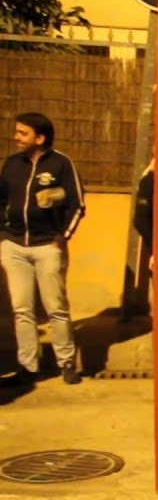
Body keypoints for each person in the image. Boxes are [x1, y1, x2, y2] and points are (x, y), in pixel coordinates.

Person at [0, 112, 85, 386]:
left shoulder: (61, 164)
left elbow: (77, 204)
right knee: (22, 308)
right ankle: (28, 366)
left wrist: (63, 237)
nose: (16, 137)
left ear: (40, 137)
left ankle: (66, 363)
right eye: (17, 132)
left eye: (22, 133)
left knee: (55, 307)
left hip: (48, 246)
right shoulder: (12, 164)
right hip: (14, 246)